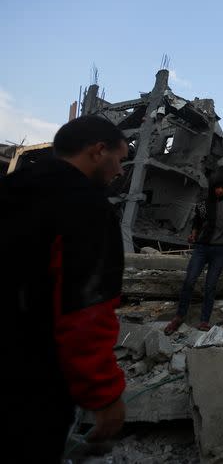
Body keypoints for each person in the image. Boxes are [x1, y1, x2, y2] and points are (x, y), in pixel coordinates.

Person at [2, 116, 128, 461]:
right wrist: (105, 396)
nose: (120, 171)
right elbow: (86, 312)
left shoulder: (13, 187)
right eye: (120, 160)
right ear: (98, 151)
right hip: (29, 384)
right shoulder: (87, 208)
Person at [165, 181, 223, 334]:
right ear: (212, 189)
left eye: (222, 187)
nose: (219, 190)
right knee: (189, 280)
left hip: (220, 249)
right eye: (216, 188)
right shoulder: (203, 204)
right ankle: (179, 316)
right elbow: (197, 222)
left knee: (210, 285)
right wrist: (193, 235)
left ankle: (204, 320)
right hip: (201, 247)